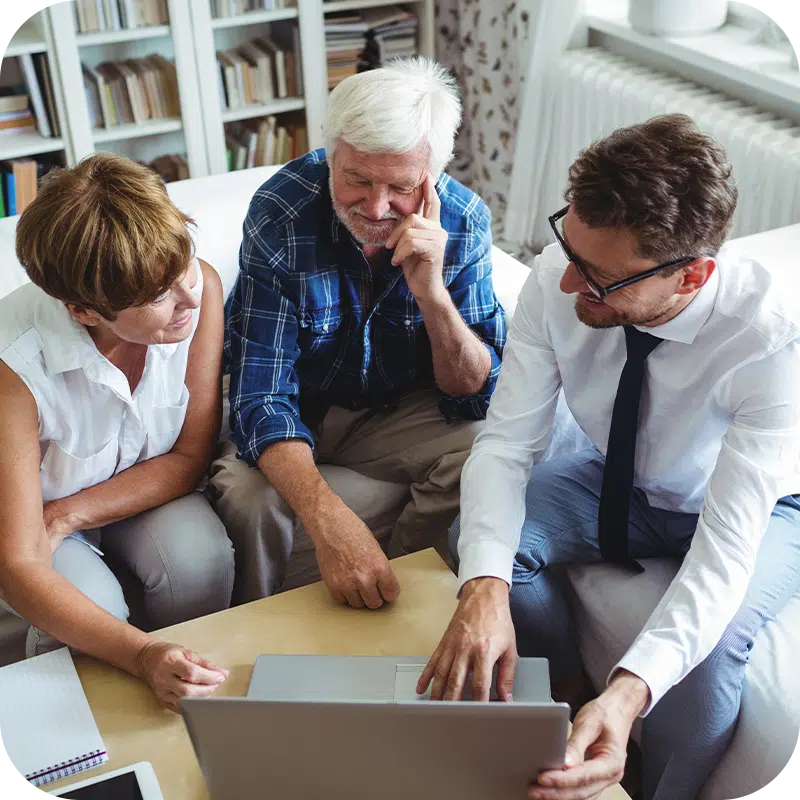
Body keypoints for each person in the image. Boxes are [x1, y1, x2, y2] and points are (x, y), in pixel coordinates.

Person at [419, 114, 800, 799]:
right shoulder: (559, 273)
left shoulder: (771, 342)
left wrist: (628, 694)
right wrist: (483, 590)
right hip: (621, 481)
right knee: (481, 549)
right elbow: (507, 443)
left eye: (599, 280)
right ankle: (565, 693)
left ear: (693, 276)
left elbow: (725, 551)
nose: (569, 287)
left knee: (705, 659)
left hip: (762, 506)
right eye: (570, 250)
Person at [209, 56, 506, 607]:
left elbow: (475, 392)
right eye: (356, 179)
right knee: (249, 498)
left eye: (400, 187)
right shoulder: (281, 212)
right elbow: (261, 395)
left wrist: (433, 296)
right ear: (332, 154)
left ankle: (408, 601)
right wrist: (329, 519)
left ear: (434, 175)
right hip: (298, 405)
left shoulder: (465, 220)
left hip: (393, 412)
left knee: (485, 447)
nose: (375, 207)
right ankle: (255, 628)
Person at [0, 154, 235, 712]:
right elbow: (20, 564)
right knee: (94, 605)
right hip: (28, 521)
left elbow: (189, 454)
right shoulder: (13, 365)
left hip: (130, 491)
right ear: (83, 311)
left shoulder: (198, 289)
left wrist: (69, 514)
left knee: (201, 558)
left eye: (185, 262)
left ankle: (197, 697)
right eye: (157, 296)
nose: (191, 298)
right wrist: (141, 655)